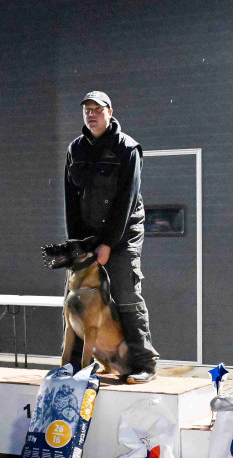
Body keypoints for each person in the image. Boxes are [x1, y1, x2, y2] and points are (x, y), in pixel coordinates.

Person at [64, 91, 159, 383]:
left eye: (97, 109)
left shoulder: (127, 149)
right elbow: (71, 200)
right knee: (76, 297)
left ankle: (144, 364)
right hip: (87, 235)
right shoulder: (76, 149)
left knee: (125, 294)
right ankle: (73, 365)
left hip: (123, 233)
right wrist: (77, 245)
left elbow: (125, 202)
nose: (91, 114)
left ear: (110, 112)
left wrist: (108, 243)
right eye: (87, 110)